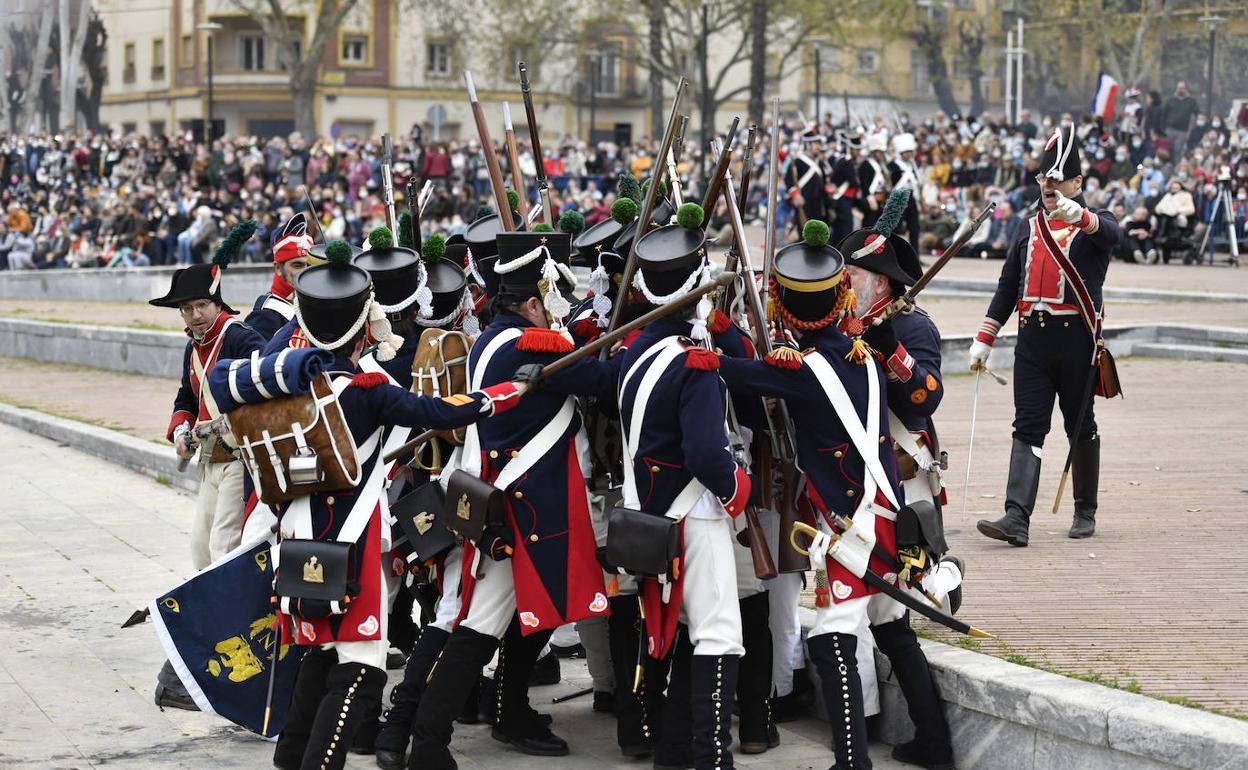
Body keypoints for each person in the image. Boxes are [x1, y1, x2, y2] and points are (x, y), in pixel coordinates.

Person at [269, 248, 526, 770]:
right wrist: (500, 396)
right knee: (361, 668)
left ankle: (289, 758)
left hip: (296, 536)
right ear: (364, 322)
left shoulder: (291, 385)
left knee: (319, 654)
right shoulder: (369, 392)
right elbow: (438, 410)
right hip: (351, 539)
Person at [716, 220, 946, 770]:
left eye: (865, 272)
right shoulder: (857, 348)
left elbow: (922, 396)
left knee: (833, 636)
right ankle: (934, 745)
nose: (858, 281)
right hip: (880, 500)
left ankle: (853, 761)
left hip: (860, 511)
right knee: (891, 627)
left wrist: (712, 343)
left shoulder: (891, 336)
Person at [406, 230, 618, 770]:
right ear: (530, 302)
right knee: (480, 627)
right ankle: (428, 741)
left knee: (533, 614)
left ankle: (509, 708)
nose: (556, 310)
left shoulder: (494, 338)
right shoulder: (531, 343)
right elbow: (605, 380)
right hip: (524, 508)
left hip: (514, 500)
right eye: (549, 300)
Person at [615, 203, 751, 770]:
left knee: (674, 633)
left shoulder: (635, 351)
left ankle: (673, 752)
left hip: (648, 512)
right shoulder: (694, 362)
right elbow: (704, 451)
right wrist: (735, 488)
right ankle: (711, 756)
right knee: (719, 633)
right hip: (692, 510)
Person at [970, 126, 1121, 545]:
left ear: (1077, 182)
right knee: (1028, 425)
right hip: (1032, 340)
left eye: (1058, 179)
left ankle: (1084, 510)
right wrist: (986, 335)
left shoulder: (1095, 224)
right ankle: (1016, 517)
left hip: (1075, 340)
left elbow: (1112, 234)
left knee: (1079, 424)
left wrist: (1083, 217)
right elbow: (1007, 286)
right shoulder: (1027, 225)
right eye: (1044, 178)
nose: (1049, 186)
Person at [148, 223, 267, 710]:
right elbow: (185, 396)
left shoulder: (241, 338)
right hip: (209, 461)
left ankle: (224, 650)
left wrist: (218, 425)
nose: (194, 315)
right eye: (186, 308)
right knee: (201, 551)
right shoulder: (192, 344)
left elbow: (262, 393)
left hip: (241, 460)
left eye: (200, 306)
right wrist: (180, 427)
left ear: (217, 302)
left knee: (225, 552)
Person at [245, 213, 315, 340]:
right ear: (278, 268)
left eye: (309, 265)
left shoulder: (311, 305)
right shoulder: (265, 316)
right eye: (297, 265)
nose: (305, 272)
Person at [1162, 81, 1198, 159]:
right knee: (1167, 149)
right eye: (1179, 88)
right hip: (1169, 130)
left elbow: (1197, 113)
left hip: (1182, 131)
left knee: (1178, 150)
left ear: (1186, 89)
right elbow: (1164, 114)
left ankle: (1176, 168)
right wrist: (1163, 128)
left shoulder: (1191, 101)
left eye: (1182, 88)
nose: (1180, 90)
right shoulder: (1170, 100)